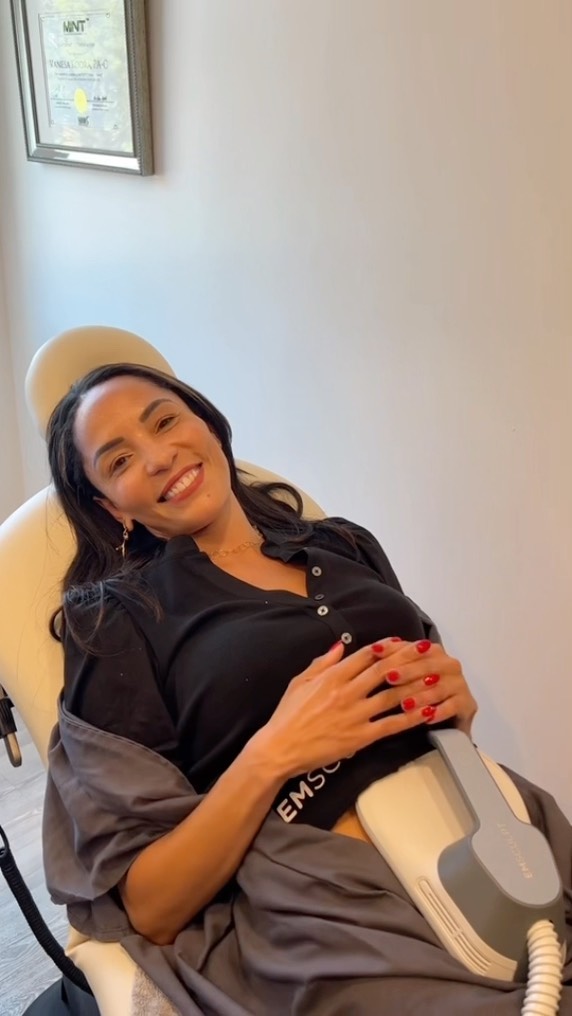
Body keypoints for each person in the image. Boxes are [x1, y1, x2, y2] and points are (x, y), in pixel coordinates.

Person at [43, 362, 571, 1016]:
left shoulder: (343, 543)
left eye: (165, 420)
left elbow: (419, 718)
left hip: (494, 836)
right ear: (110, 505)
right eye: (120, 460)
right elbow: (152, 910)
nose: (158, 457)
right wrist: (273, 755)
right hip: (334, 912)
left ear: (206, 421)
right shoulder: (116, 621)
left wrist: (450, 714)